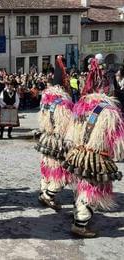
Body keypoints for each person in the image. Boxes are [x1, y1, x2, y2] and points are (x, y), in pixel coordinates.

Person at [63, 57, 124, 238]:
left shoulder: (82, 106)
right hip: (96, 157)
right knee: (91, 189)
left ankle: (78, 217)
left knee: (82, 186)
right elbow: (118, 144)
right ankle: (80, 224)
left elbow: (70, 134)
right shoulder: (110, 112)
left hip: (79, 154)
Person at [35, 86, 74, 210]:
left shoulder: (45, 104)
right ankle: (48, 195)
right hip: (58, 142)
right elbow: (67, 127)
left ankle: (43, 191)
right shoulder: (63, 106)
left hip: (46, 139)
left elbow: (42, 124)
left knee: (47, 167)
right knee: (62, 172)